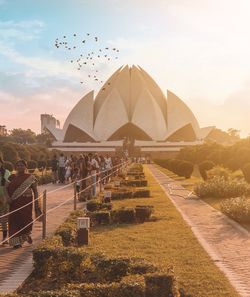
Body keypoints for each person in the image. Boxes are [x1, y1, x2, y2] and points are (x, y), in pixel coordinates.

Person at [6, 160, 42, 249]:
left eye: (21, 165)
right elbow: (5, 188)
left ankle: (26, 235)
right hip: (14, 203)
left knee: (26, 221)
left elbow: (35, 190)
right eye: (18, 165)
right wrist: (7, 198)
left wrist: (37, 202)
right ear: (15, 167)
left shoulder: (30, 177)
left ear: (25, 167)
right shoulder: (12, 177)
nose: (19, 167)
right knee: (14, 221)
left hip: (26, 202)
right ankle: (16, 243)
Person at [0, 157, 10, 244]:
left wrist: (4, 198)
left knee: (4, 218)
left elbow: (8, 186)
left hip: (4, 197)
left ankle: (5, 237)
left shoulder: (6, 172)